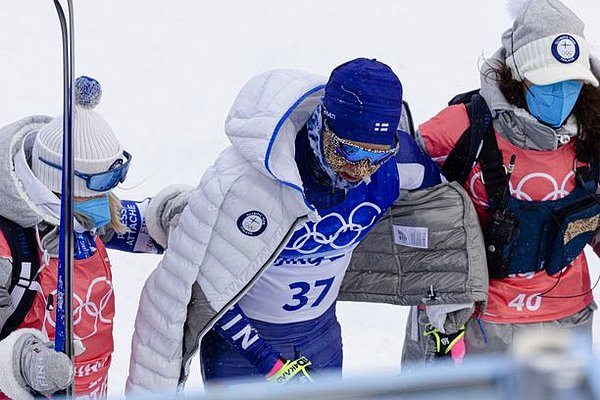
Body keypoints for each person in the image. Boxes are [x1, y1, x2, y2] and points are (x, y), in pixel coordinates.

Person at [126, 58, 452, 392]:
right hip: (241, 352)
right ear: (322, 125)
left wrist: (451, 303)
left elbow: (449, 218)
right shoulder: (248, 181)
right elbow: (205, 292)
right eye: (349, 153)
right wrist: (266, 360)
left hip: (320, 337)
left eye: (377, 156)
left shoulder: (398, 167)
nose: (362, 171)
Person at [403, 0, 600, 364]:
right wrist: (434, 297)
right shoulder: (462, 130)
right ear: (518, 75)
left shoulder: (593, 134)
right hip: (471, 325)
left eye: (571, 82)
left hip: (565, 322)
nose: (561, 94)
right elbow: (397, 203)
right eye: (547, 81)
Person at [0, 76, 167, 399]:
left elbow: (134, 225)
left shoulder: (81, 217)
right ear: (60, 186)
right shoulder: (8, 248)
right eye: (97, 190)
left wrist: (168, 216)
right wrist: (24, 363)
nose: (106, 203)